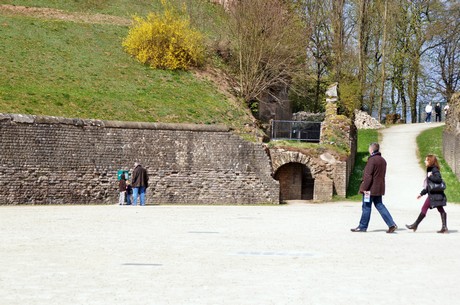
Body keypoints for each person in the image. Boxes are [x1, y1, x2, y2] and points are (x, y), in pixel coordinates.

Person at [351, 143, 398, 233]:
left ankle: (362, 226)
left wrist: (364, 188)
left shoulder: (372, 160)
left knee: (366, 207)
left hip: (369, 189)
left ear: (371, 150)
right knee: (380, 205)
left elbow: (368, 176)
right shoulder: (383, 160)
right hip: (379, 188)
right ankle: (391, 224)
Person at [406, 155, 448, 233]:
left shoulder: (434, 170)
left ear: (430, 161)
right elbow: (429, 186)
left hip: (435, 195)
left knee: (424, 207)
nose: (425, 161)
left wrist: (431, 176)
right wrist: (421, 194)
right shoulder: (430, 169)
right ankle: (444, 227)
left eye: (426, 160)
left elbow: (439, 180)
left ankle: (415, 225)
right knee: (440, 209)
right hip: (436, 194)